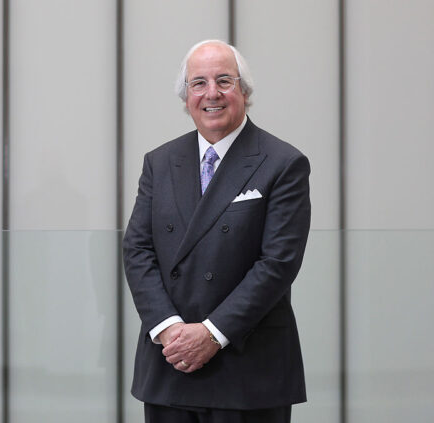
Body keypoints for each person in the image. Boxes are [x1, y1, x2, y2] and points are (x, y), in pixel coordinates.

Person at [122, 39, 311, 423]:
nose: (212, 93)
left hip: (246, 367)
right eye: (199, 83)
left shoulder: (283, 162)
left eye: (224, 80)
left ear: (244, 90)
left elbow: (277, 263)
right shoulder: (159, 162)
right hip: (170, 363)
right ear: (185, 96)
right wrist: (170, 329)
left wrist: (211, 334)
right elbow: (137, 250)